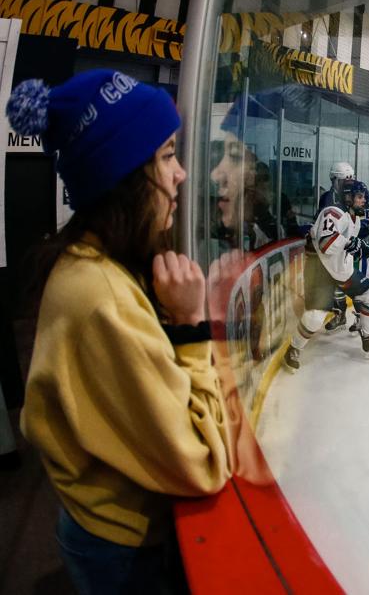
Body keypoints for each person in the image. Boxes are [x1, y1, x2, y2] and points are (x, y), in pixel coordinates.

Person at [6, 70, 231, 593]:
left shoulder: (94, 265)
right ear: (126, 173)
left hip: (98, 525)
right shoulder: (102, 296)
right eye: (168, 155)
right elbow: (203, 463)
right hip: (124, 546)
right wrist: (191, 328)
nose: (180, 175)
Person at [285, 179, 369, 369]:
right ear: (348, 197)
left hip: (342, 269)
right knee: (316, 316)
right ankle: (294, 348)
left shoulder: (354, 218)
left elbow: (350, 242)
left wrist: (361, 247)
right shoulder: (333, 212)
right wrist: (352, 244)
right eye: (360, 197)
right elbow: (326, 243)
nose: (364, 201)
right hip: (321, 269)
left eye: (364, 197)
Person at [317, 161, 369, 334]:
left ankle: (362, 317)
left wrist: (359, 225)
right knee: (336, 283)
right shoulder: (327, 197)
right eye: (336, 180)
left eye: (344, 179)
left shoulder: (360, 192)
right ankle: (340, 314)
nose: (338, 183)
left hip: (358, 246)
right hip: (337, 248)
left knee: (358, 285)